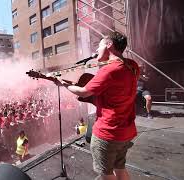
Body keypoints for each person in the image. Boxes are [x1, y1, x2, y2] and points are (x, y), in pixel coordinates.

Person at [55, 31, 139, 180]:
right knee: (120, 168)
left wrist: (61, 84)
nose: (96, 50)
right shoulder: (132, 66)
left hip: (108, 133)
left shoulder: (108, 71)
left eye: (98, 46)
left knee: (106, 174)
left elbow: (83, 92)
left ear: (109, 45)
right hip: (126, 131)